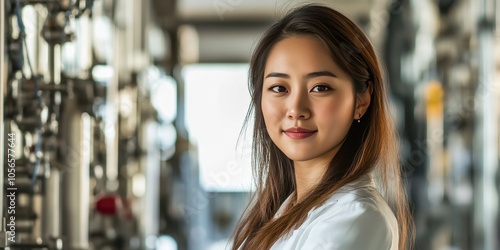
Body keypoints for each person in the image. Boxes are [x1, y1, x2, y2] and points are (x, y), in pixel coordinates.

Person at [230, 4, 414, 250]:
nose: (296, 109)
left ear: (361, 100)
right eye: (279, 88)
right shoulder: (286, 208)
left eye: (320, 88)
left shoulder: (356, 217)